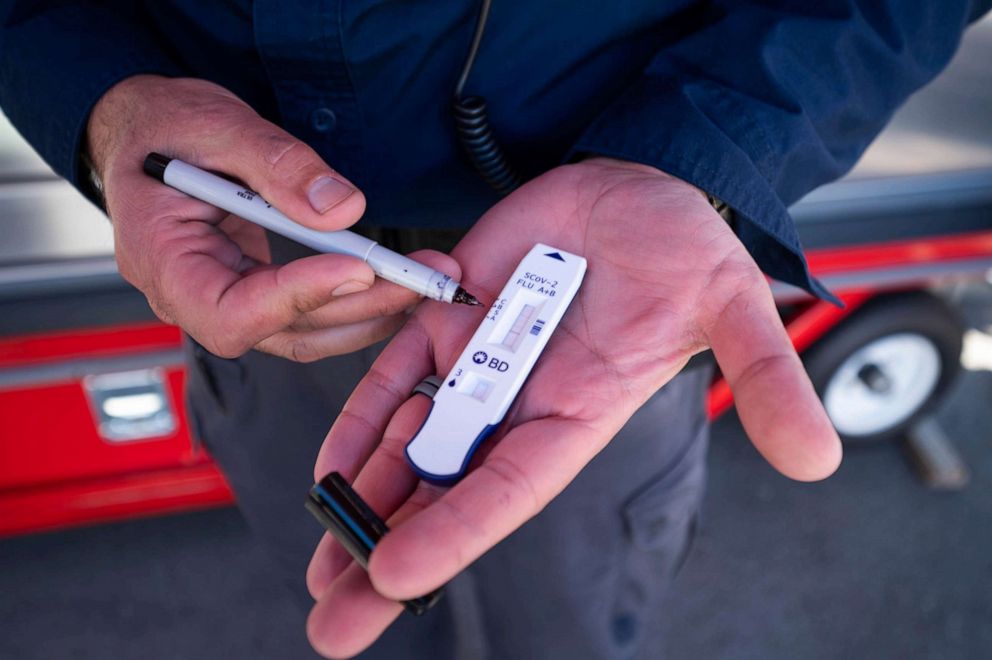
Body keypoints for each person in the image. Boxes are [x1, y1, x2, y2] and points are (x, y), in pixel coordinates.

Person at [1, 1, 987, 658]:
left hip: (610, 261)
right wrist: (98, 98)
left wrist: (703, 148)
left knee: (567, 610)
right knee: (356, 585)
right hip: (259, 263)